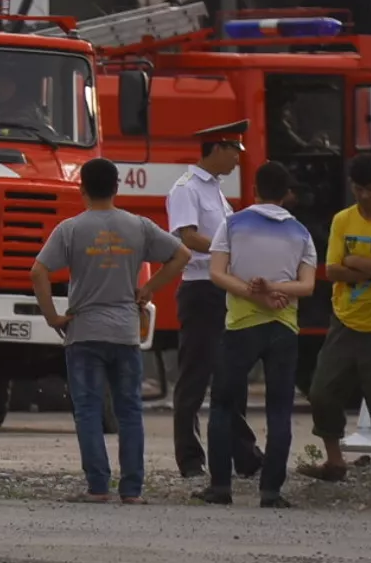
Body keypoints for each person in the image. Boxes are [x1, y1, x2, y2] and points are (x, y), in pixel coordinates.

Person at [33, 158, 190, 504]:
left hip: (84, 332)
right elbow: (181, 255)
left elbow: (38, 271)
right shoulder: (139, 226)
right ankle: (131, 490)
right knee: (129, 411)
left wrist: (52, 317)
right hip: (125, 333)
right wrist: (149, 289)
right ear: (117, 187)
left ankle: (98, 487)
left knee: (88, 411)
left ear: (82, 189)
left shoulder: (70, 229)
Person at [198, 161, 318, 508]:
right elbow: (307, 286)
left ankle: (220, 487)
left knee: (222, 405)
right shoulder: (301, 233)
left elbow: (217, 273)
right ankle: (271, 492)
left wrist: (257, 293)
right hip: (284, 328)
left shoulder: (232, 224)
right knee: (279, 409)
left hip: (241, 326)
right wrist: (275, 290)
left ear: (254, 189)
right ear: (287, 194)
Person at [299, 152, 371, 492]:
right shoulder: (342, 220)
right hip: (345, 321)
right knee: (322, 392)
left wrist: (355, 261)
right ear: (351, 186)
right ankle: (335, 461)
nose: (364, 196)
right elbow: (332, 270)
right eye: (359, 189)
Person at [168, 120, 263, 481]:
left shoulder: (217, 192)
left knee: (232, 374)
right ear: (218, 148)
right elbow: (188, 237)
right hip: (201, 289)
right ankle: (191, 459)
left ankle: (244, 456)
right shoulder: (187, 188)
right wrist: (228, 250)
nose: (238, 159)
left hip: (224, 289)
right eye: (234, 151)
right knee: (195, 376)